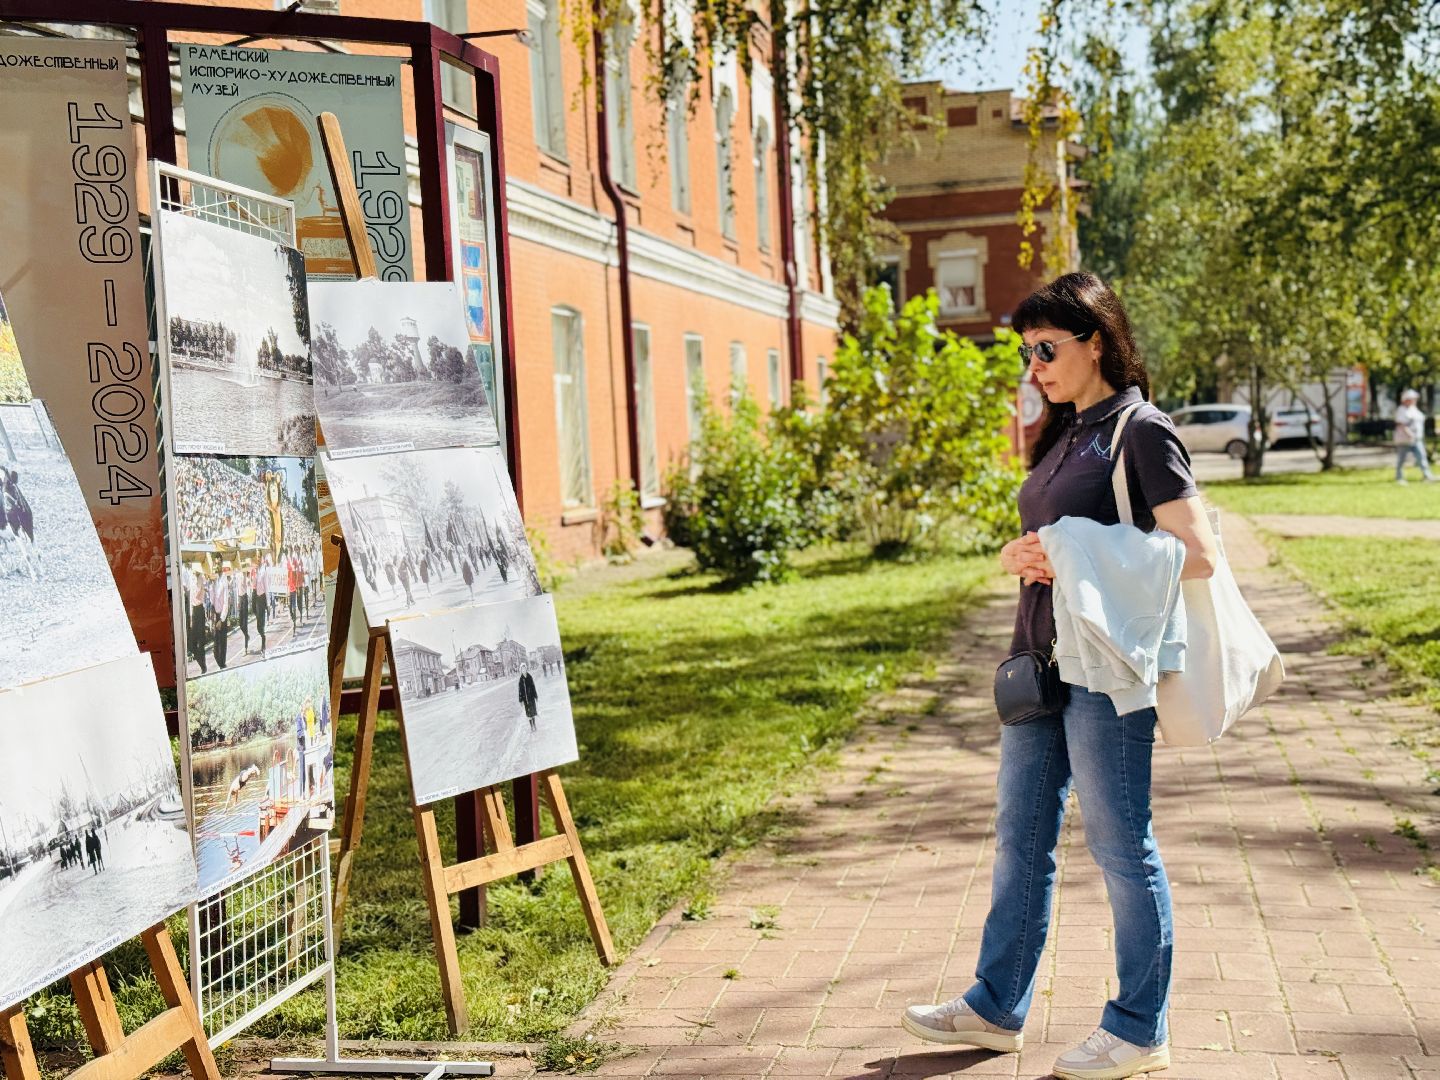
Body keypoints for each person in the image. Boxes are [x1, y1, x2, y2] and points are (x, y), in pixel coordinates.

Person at [901, 273, 1219, 1080]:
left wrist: (1073, 548)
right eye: (1025, 352)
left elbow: (1198, 553)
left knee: (1120, 846)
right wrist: (1028, 552)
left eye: (1047, 349)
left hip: (1106, 672)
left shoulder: (1141, 432)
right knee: (1021, 838)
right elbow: (1054, 540)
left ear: (1097, 343)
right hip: (1040, 664)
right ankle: (994, 1006)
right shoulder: (1067, 433)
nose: (1033, 365)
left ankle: (1139, 1027)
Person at [1394, 389, 1434, 484]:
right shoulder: (1401, 410)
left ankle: (1427, 475)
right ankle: (1399, 477)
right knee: (1402, 459)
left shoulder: (1414, 409)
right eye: (1412, 399)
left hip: (1417, 438)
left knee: (1422, 457)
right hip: (1404, 439)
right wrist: (1410, 434)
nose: (1414, 400)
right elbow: (1401, 424)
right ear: (1406, 400)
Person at [517, 662, 539, 732]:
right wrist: (520, 700)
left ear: (526, 669)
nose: (523, 670)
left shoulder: (530, 677)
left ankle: (534, 725)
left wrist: (536, 695)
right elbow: (520, 690)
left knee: (532, 712)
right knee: (528, 714)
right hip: (525, 699)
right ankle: (531, 726)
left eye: (524, 668)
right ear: (521, 670)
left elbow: (533, 687)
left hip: (531, 698)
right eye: (522, 669)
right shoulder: (521, 680)